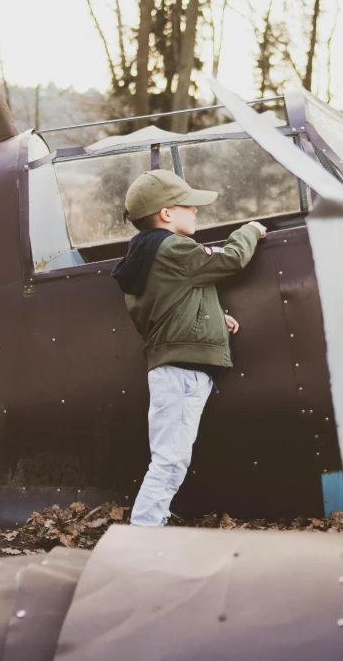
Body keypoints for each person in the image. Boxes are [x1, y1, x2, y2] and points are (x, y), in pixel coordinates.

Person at [111, 169, 267, 526]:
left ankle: (151, 525)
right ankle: (145, 534)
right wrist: (251, 230)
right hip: (182, 372)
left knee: (170, 457)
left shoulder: (145, 254)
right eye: (189, 206)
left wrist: (214, 316)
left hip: (173, 368)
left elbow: (171, 302)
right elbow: (228, 259)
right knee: (170, 459)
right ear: (166, 213)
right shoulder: (172, 248)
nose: (196, 211)